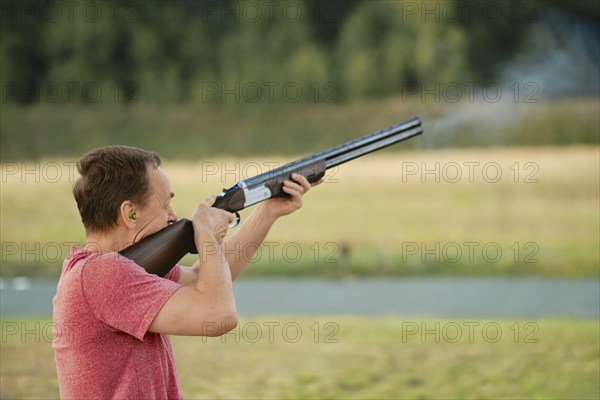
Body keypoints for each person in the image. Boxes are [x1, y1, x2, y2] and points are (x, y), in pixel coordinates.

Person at [52, 145, 318, 398]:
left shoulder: (117, 270)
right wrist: (206, 236)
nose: (173, 214)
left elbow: (204, 280)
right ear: (130, 214)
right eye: (165, 203)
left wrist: (266, 212)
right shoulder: (103, 273)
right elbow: (219, 314)